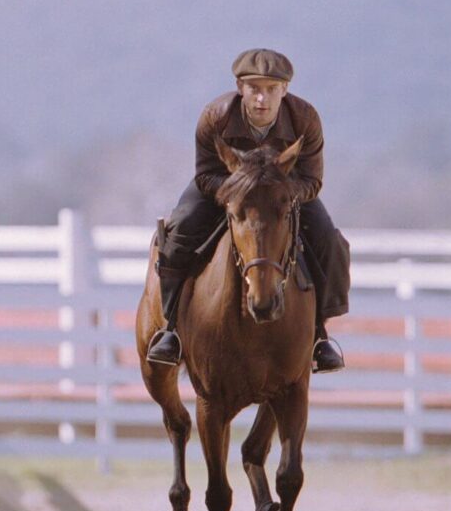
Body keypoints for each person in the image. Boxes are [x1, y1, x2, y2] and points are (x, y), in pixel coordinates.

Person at [147, 48, 349, 372]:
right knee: (179, 228)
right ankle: (170, 330)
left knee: (329, 240)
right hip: (224, 189)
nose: (262, 99)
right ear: (240, 87)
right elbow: (204, 175)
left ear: (285, 90)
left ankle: (320, 335)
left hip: (284, 194)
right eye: (254, 89)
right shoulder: (215, 116)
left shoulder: (306, 119)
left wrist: (279, 195)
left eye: (271, 90)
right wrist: (238, 193)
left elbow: (312, 180)